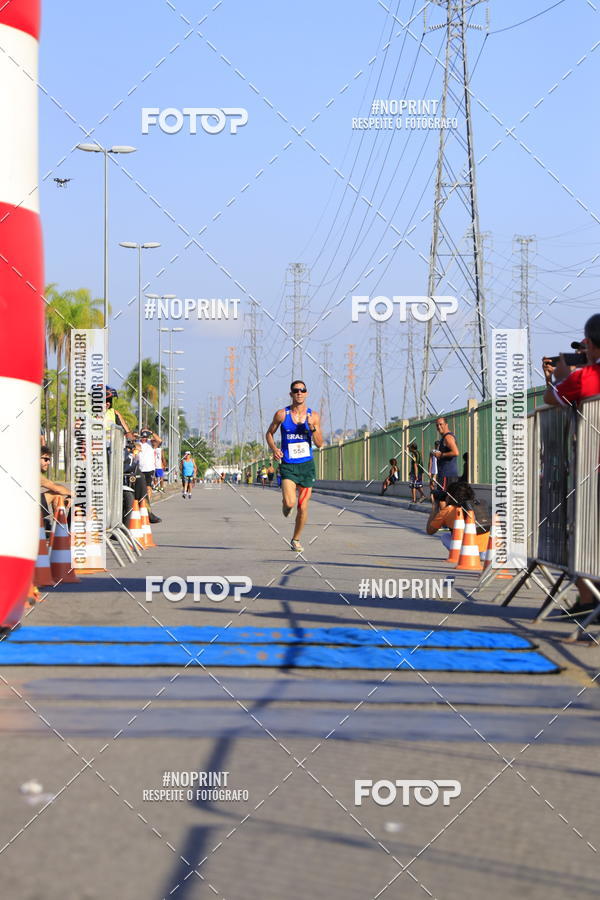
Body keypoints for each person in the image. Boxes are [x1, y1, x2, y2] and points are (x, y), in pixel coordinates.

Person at [542, 314, 600, 617]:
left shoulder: (585, 377)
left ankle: (590, 601)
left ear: (589, 343)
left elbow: (551, 398)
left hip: (593, 469)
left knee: (583, 537)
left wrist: (559, 377)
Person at [266, 379, 323, 553]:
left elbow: (320, 444)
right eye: (296, 390)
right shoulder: (282, 414)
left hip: (306, 466)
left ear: (306, 393)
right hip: (288, 466)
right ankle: (286, 504)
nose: (299, 393)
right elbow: (269, 433)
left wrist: (313, 429)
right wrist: (275, 449)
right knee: (290, 503)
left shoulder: (313, 416)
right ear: (291, 394)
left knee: (303, 506)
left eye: (302, 390)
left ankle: (296, 539)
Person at [426, 481, 489, 554]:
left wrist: (435, 507)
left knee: (445, 536)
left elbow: (430, 531)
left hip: (468, 552)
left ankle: (457, 555)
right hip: (487, 551)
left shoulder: (448, 510)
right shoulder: (480, 504)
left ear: (450, 496)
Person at [40, 446, 71, 538]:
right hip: (25, 512)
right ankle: (60, 530)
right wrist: (75, 495)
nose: (48, 462)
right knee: (57, 493)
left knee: (58, 493)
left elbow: (56, 486)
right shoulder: (32, 472)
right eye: (45, 459)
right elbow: (56, 488)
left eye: (49, 459)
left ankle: (58, 529)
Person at [431, 417, 459, 500]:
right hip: (445, 474)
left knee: (442, 499)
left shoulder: (448, 437)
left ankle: (444, 513)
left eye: (441, 424)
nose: (439, 427)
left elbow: (455, 452)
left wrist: (441, 455)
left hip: (447, 474)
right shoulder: (444, 438)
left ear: (446, 425)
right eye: (437, 425)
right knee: (445, 499)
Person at [138, 429, 162, 523]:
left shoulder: (151, 443)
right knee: (140, 489)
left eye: (145, 436)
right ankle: (142, 506)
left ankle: (147, 506)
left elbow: (159, 441)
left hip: (149, 469)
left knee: (148, 488)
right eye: (142, 436)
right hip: (139, 469)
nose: (144, 438)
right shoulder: (137, 442)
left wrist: (151, 432)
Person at [428, 440, 439, 505]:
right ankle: (433, 497)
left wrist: (429, 471)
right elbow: (430, 462)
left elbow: (430, 462)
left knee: (432, 484)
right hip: (435, 470)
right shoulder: (434, 452)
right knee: (432, 484)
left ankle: (433, 498)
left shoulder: (433, 452)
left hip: (435, 470)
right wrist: (429, 471)